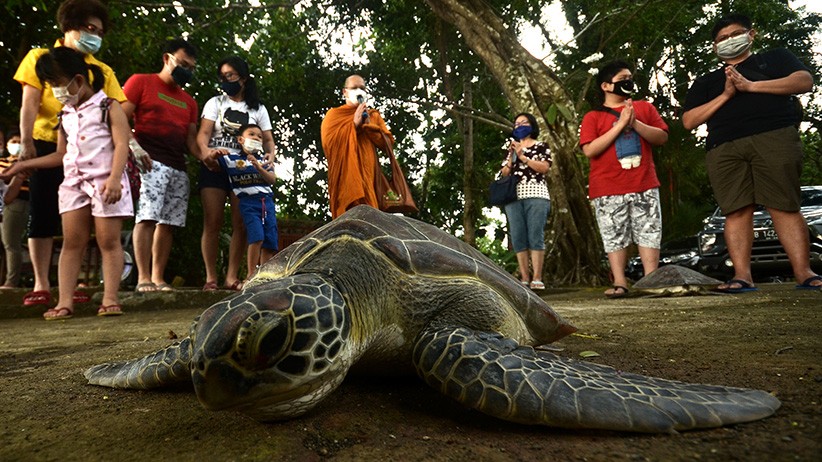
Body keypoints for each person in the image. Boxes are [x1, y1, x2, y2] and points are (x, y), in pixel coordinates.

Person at [682, 13, 820, 292]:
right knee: (735, 209)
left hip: (773, 137)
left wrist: (751, 86)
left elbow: (804, 81)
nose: (729, 41)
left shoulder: (776, 58)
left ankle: (804, 273)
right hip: (723, 146)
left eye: (735, 34)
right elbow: (689, 121)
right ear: (714, 47)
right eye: (722, 39)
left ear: (751, 34)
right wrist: (726, 95)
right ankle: (742, 276)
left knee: (784, 204)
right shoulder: (707, 82)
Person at [1, 47, 131, 319]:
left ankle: (109, 298)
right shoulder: (65, 115)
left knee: (108, 241)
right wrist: (23, 166)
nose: (55, 91)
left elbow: (122, 144)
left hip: (106, 182)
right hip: (73, 184)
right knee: (72, 241)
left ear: (79, 81)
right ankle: (65, 301)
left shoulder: (109, 106)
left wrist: (115, 179)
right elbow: (61, 155)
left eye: (57, 84)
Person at [579, 60, 669, 298]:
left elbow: (661, 137)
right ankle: (620, 282)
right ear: (606, 86)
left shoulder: (645, 108)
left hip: (644, 182)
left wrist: (635, 123)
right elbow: (589, 150)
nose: (628, 82)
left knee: (648, 231)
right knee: (614, 234)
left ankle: (651, 280)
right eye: (622, 79)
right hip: (607, 187)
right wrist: (619, 125)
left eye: (630, 77)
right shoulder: (593, 117)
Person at [122, 38, 200, 292]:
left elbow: (191, 141)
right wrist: (133, 148)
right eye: (183, 64)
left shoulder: (189, 101)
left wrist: (208, 155)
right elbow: (119, 118)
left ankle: (158, 278)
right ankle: (143, 277)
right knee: (146, 218)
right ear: (167, 58)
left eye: (191, 68)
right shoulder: (140, 82)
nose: (186, 71)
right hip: (148, 162)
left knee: (168, 224)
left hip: (179, 166)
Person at [197, 56, 276, 291]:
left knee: (241, 222)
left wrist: (270, 156)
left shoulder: (258, 108)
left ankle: (232, 276)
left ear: (243, 77)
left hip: (245, 169)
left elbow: (268, 139)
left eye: (230, 75)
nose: (225, 80)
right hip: (215, 165)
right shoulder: (215, 103)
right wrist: (206, 154)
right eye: (222, 76)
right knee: (212, 220)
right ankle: (210, 277)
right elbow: (203, 134)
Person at [209, 124, 278, 279]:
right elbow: (211, 162)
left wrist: (259, 167)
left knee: (270, 242)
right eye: (252, 134)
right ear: (240, 139)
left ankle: (264, 277)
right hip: (248, 203)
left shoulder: (265, 160)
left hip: (267, 203)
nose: (256, 138)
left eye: (259, 137)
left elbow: (272, 180)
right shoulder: (231, 159)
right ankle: (251, 275)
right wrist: (215, 154)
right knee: (257, 236)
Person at [321, 74, 394, 219]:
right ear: (345, 92)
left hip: (369, 178)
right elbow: (328, 144)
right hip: (347, 182)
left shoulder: (373, 116)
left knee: (371, 220)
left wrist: (369, 126)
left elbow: (388, 144)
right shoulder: (333, 115)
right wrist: (353, 125)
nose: (359, 91)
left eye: (362, 88)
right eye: (354, 88)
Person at [498, 113, 552, 290]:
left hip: (536, 195)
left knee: (535, 235)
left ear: (532, 125)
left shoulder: (541, 146)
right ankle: (524, 278)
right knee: (518, 237)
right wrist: (512, 156)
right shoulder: (512, 148)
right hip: (513, 196)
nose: (520, 126)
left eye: (524, 122)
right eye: (516, 124)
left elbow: (544, 168)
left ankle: (537, 277)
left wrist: (524, 157)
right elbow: (504, 173)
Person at [0, 129, 31, 289]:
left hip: (18, 203)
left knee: (11, 243)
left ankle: (11, 281)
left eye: (20, 142)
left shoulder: (28, 164)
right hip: (4, 203)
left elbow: (9, 193)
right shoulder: (2, 162)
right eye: (13, 142)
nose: (16, 145)